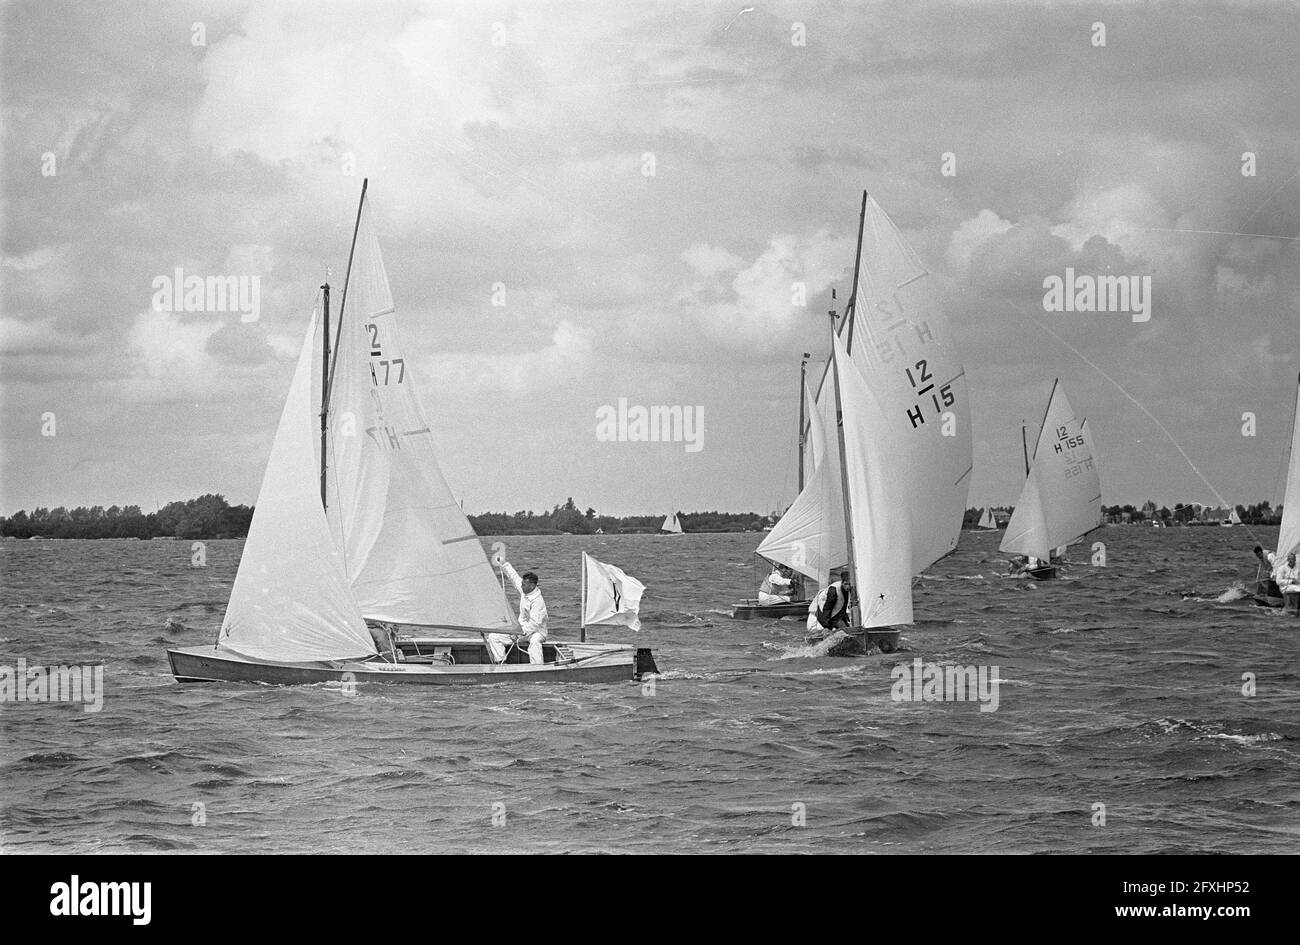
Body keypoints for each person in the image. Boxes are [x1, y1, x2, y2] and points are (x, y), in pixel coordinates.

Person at [487, 560, 549, 664]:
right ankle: (501, 662)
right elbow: (514, 577)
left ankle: (537, 667)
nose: (521, 586)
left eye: (524, 584)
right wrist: (503, 563)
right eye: (522, 584)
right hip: (520, 631)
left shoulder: (538, 602)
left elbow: (534, 625)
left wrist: (518, 634)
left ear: (532, 586)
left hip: (538, 632)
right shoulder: (525, 591)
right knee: (493, 637)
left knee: (534, 642)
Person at [806, 569, 853, 636]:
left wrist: (847, 625)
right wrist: (827, 627)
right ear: (842, 582)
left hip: (830, 619)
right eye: (846, 584)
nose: (848, 587)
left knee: (847, 632)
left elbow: (842, 610)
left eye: (849, 584)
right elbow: (827, 609)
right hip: (816, 621)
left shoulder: (846, 591)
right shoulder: (833, 591)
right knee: (837, 634)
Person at [1256, 545, 1299, 614]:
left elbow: (1275, 564)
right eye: (1257, 555)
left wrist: (1274, 574)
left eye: (1259, 554)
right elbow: (1266, 567)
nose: (1258, 556)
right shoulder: (1262, 557)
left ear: (1260, 552)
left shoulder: (1269, 556)